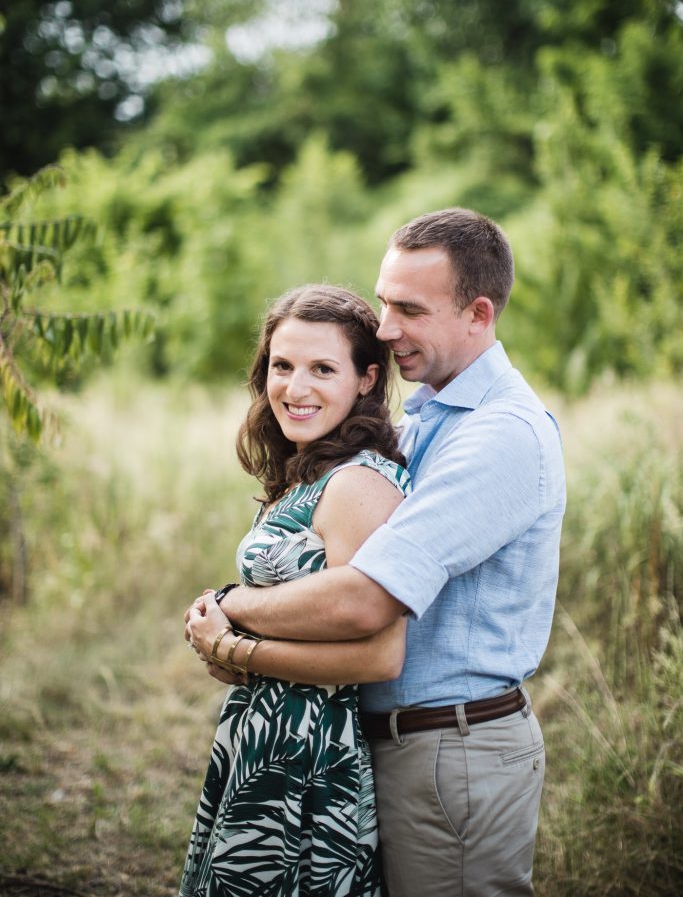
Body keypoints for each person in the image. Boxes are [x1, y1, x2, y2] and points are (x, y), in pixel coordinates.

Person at [200, 207, 567, 897]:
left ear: (478, 314)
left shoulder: (501, 436)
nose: (384, 326)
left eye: (408, 308)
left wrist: (231, 615)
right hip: (387, 740)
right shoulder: (426, 417)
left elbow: (368, 596)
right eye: (381, 299)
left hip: (450, 753)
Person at [180, 284, 411, 897]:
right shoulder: (307, 473)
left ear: (366, 379)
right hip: (262, 735)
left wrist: (234, 648)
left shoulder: (359, 482)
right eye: (282, 366)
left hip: (307, 757)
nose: (296, 388)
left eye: (322, 369)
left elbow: (376, 656)